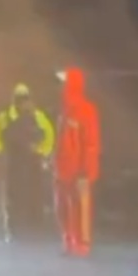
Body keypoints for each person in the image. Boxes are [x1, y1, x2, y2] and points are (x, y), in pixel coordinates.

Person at [0, 83, 55, 241]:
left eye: (26, 99)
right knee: (14, 195)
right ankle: (14, 228)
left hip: (32, 161)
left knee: (34, 195)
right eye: (21, 99)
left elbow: (49, 134)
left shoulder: (37, 116)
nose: (24, 103)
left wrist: (42, 150)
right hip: (14, 160)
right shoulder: (5, 117)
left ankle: (34, 227)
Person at [54, 67, 100, 256]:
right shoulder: (65, 111)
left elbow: (91, 143)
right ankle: (69, 240)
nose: (60, 87)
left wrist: (85, 170)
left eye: (63, 83)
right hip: (63, 169)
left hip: (79, 170)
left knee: (80, 206)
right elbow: (60, 141)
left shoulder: (86, 110)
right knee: (63, 206)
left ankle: (82, 243)